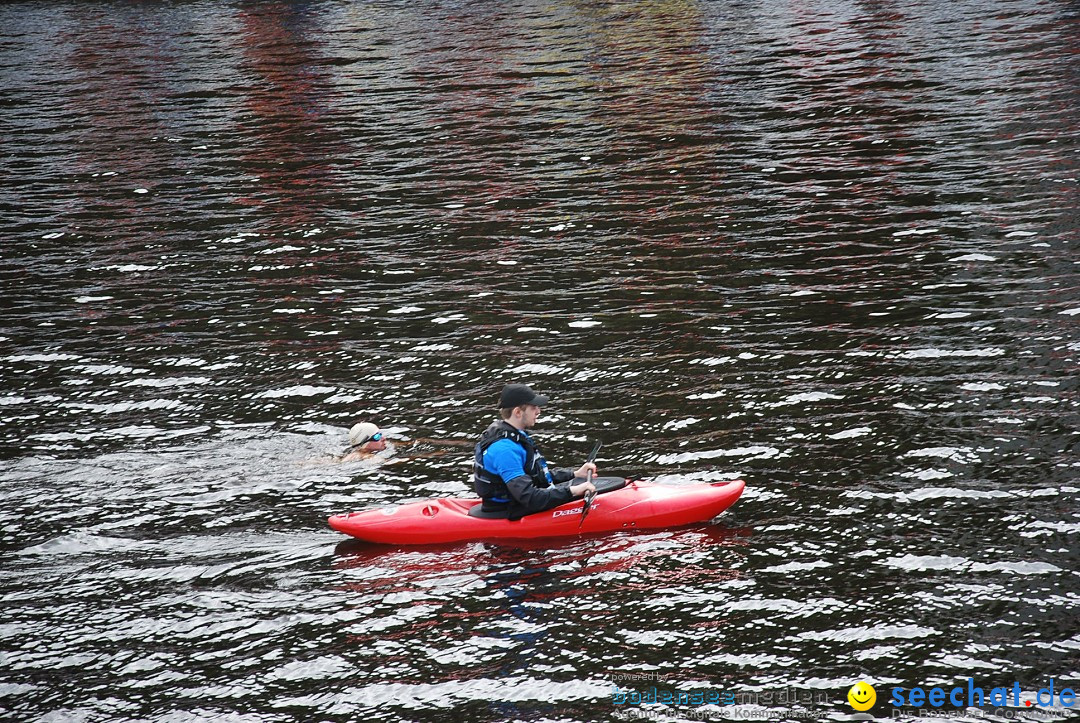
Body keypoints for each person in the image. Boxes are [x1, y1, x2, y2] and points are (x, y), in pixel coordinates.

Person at [474, 383, 597, 519]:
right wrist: (572, 491)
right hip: (509, 510)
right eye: (533, 408)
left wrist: (574, 474)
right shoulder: (504, 450)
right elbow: (529, 497)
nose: (538, 411)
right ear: (518, 412)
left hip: (517, 501)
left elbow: (535, 476)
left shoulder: (516, 436)